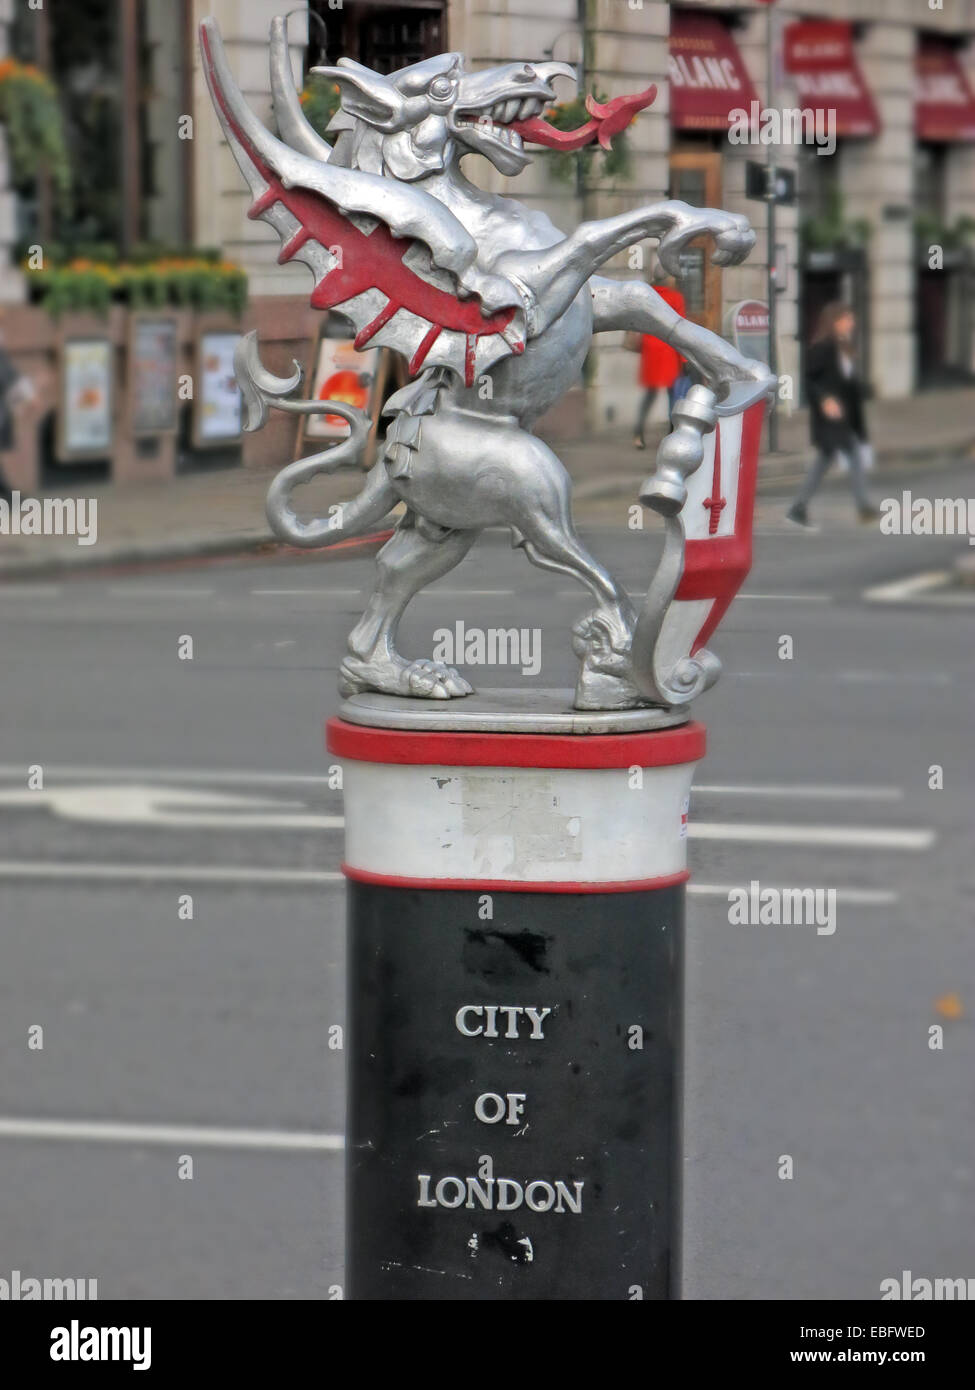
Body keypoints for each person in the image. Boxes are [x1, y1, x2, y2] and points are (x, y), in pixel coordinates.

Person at [787, 301, 879, 529]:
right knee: (853, 454)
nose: (852, 323)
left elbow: (848, 386)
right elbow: (810, 380)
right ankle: (863, 508)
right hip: (830, 418)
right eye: (847, 319)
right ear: (835, 321)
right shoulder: (823, 347)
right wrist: (824, 400)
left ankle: (798, 508)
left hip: (844, 417)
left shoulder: (844, 347)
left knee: (824, 461)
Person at [632, 271, 687, 451]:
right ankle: (672, 436)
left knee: (650, 395)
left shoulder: (648, 296)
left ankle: (638, 435)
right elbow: (680, 328)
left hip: (650, 350)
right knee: (674, 394)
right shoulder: (676, 297)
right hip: (668, 350)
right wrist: (684, 358)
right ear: (669, 279)